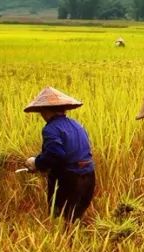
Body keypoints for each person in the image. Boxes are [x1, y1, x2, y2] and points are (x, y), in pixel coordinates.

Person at [23, 87, 95, 222]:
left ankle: (65, 242)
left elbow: (55, 154)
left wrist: (36, 163)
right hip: (89, 178)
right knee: (74, 220)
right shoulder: (77, 125)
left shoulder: (50, 129)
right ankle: (74, 242)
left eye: (41, 112)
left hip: (69, 181)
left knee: (59, 220)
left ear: (45, 111)